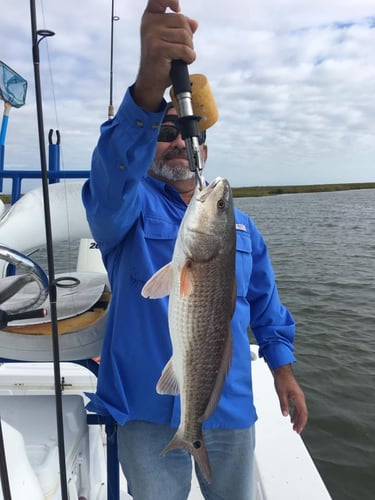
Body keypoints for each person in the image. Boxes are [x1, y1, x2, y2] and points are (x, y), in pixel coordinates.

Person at [82, 1, 308, 499]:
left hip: (227, 409)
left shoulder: (238, 226)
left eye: (187, 136)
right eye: (162, 135)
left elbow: (267, 307)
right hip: (144, 406)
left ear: (202, 150)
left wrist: (283, 370)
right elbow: (111, 173)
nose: (178, 144)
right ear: (147, 148)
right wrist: (147, 88)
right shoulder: (126, 209)